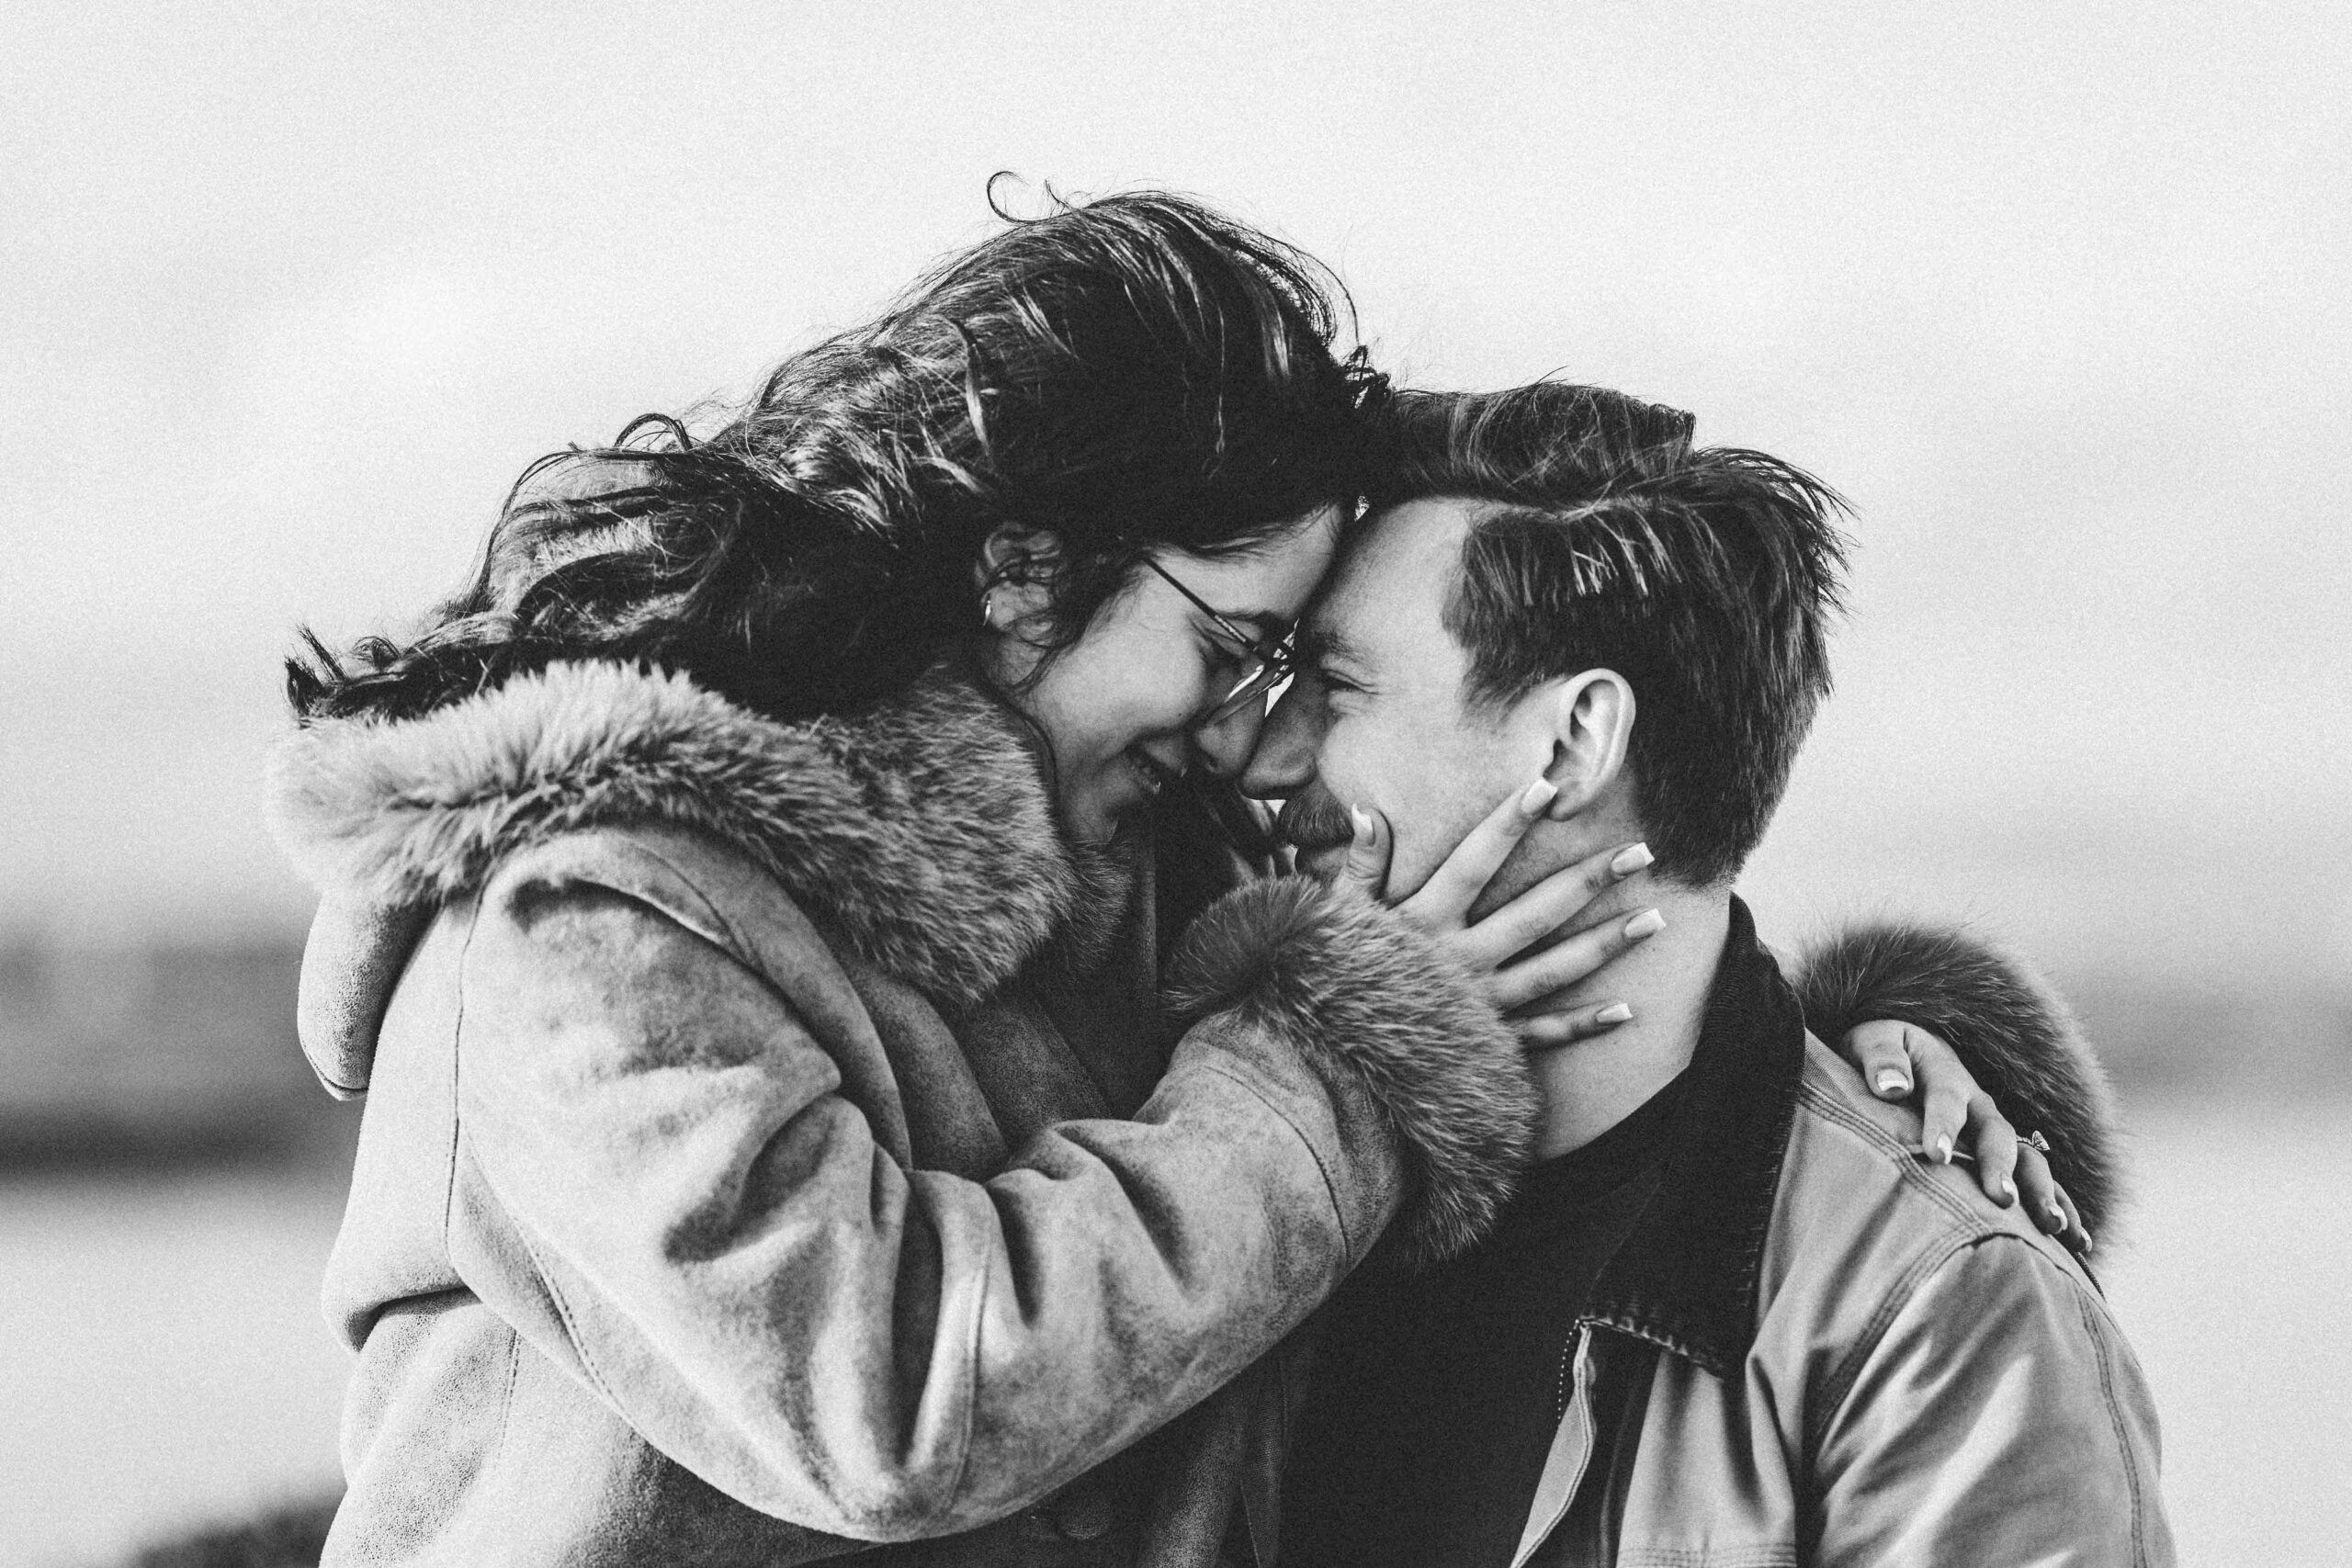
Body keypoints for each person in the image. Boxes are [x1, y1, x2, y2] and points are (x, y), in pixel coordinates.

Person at [265, 193, 2069, 1568]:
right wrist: (1339, 1044)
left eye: (1299, 675)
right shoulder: (592, 923)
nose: (1248, 733)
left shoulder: (1118, 861)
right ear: (1023, 580)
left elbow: (1590, 862)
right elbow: (891, 1394)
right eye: (1239, 649)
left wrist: (1857, 1057)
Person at [1254, 383, 2170, 1566]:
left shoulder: (1932, 1307)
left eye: (1336, 688)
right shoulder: (1247, 1175)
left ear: (1574, 742)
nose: (1268, 757)